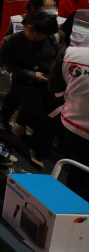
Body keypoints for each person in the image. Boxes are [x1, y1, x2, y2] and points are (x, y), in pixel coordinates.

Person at [0, 11, 64, 169]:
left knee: (54, 116)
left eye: (37, 33)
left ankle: (38, 149)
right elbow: (4, 63)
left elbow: (62, 56)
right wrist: (32, 75)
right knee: (39, 114)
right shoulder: (12, 41)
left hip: (49, 82)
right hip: (24, 82)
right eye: (29, 29)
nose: (31, 34)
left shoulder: (56, 37)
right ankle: (29, 144)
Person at [49, 44, 89, 199]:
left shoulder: (71, 53)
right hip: (74, 125)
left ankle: (70, 208)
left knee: (76, 167)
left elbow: (54, 86)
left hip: (73, 125)